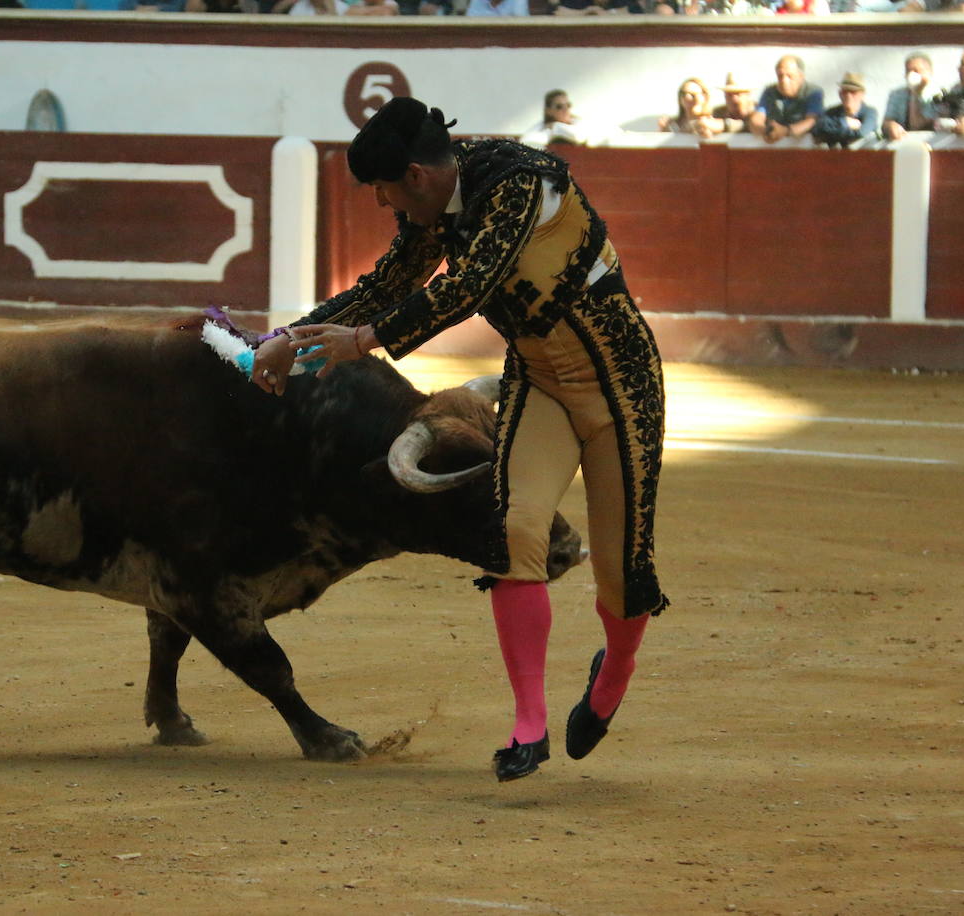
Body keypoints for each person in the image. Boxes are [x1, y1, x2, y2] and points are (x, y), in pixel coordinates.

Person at [251, 97, 669, 783]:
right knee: (517, 530)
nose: (387, 207)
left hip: (622, 385)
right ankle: (528, 726)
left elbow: (471, 285)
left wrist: (362, 343)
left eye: (385, 193)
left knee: (623, 573)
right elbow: (387, 284)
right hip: (537, 381)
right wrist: (284, 341)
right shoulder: (437, 205)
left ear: (414, 175)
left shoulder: (518, 183)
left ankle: (614, 669)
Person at [750, 55, 825, 144]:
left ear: (801, 76)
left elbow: (811, 121)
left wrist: (785, 131)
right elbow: (757, 117)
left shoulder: (813, 92)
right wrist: (766, 130)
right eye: (780, 76)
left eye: (790, 76)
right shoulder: (770, 92)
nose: (784, 81)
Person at [881, 52, 937, 142]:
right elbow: (886, 122)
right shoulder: (896, 95)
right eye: (908, 71)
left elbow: (918, 124)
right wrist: (890, 126)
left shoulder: (937, 96)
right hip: (902, 143)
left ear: (929, 72)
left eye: (916, 71)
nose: (911, 74)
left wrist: (916, 93)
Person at [813, 72, 879, 148]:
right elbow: (817, 129)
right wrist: (844, 122)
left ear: (862, 95)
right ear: (840, 94)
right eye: (845, 92)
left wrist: (830, 135)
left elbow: (861, 133)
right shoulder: (832, 112)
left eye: (853, 92)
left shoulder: (870, 112)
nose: (848, 95)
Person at [519, 89, 589, 147]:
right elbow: (527, 142)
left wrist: (555, 127)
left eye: (568, 105)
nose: (565, 109)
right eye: (559, 107)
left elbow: (578, 137)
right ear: (549, 111)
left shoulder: (578, 122)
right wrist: (550, 132)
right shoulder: (542, 127)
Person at [706, 72, 755, 136]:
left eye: (738, 94)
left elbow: (755, 126)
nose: (734, 99)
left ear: (748, 94)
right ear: (724, 95)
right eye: (729, 94)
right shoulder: (718, 113)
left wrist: (724, 125)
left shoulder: (758, 112)